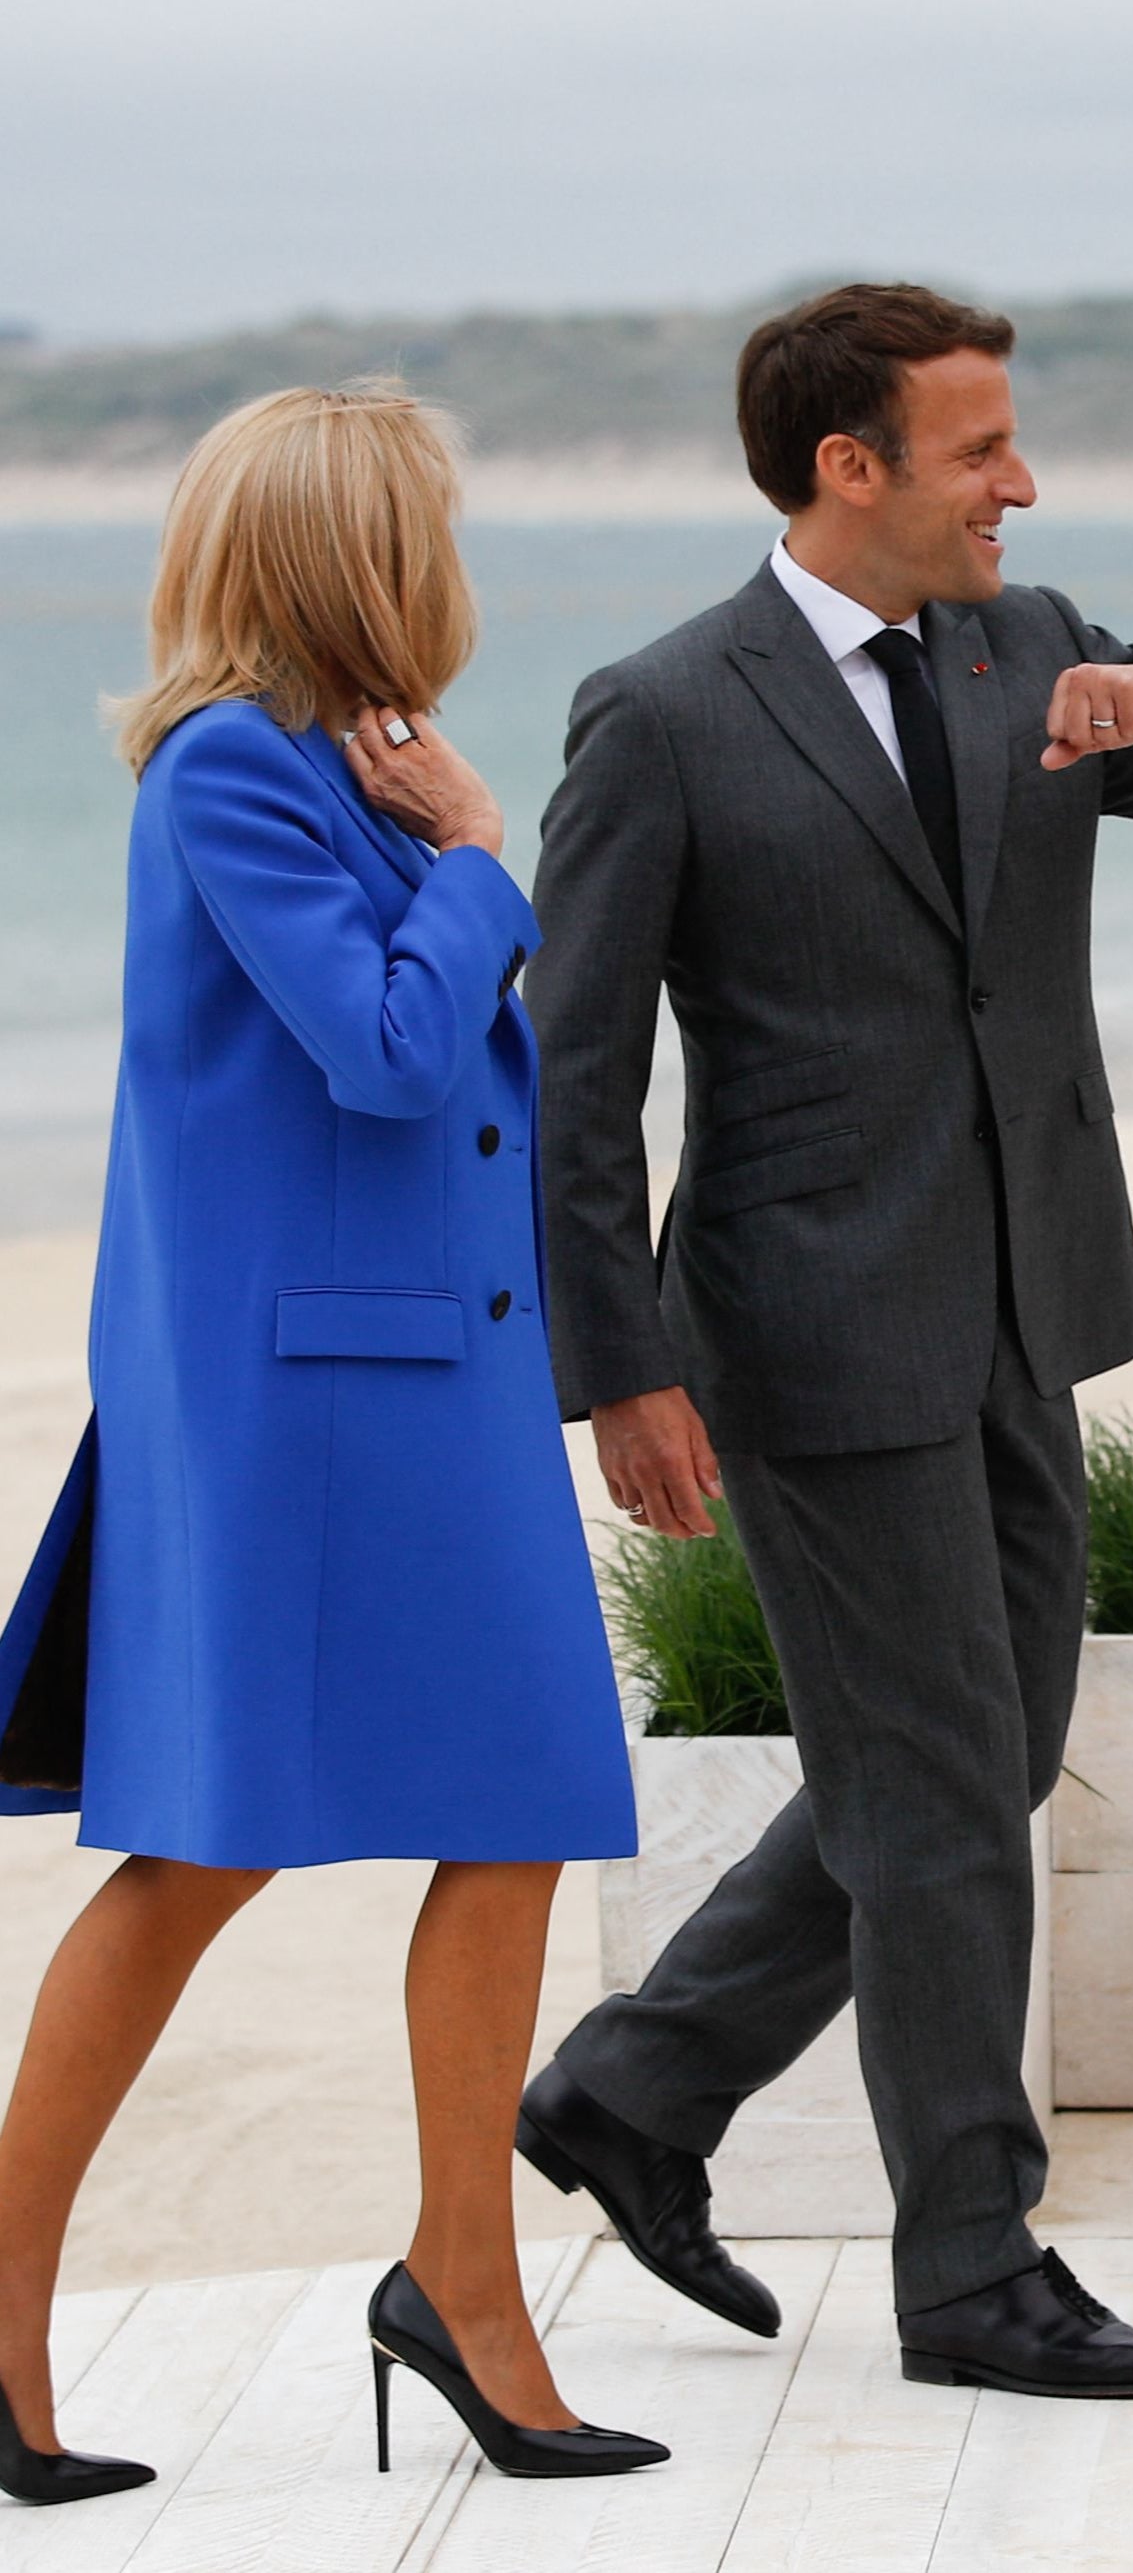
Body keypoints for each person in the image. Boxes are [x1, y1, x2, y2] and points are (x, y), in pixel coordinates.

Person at [513, 284, 1133, 2400]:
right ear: (852, 469)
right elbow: (576, 1071)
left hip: (1031, 1300)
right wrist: (616, 1367)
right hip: (806, 1328)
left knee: (970, 1763)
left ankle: (633, 2083)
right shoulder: (667, 712)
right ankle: (973, 2267)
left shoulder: (1034, 643)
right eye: (983, 447)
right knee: (931, 1793)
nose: (1023, 480)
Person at [0, 386, 665, 2502]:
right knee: (199, 1849)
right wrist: (485, 858)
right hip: (299, 1413)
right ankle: (4, 2322)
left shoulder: (335, 770)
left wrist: (456, 851)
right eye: (431, 526)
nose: (454, 560)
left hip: (430, 1387)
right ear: (359, 555)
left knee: (525, 1794)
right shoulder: (227, 773)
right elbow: (386, 1056)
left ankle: (461, 2277)